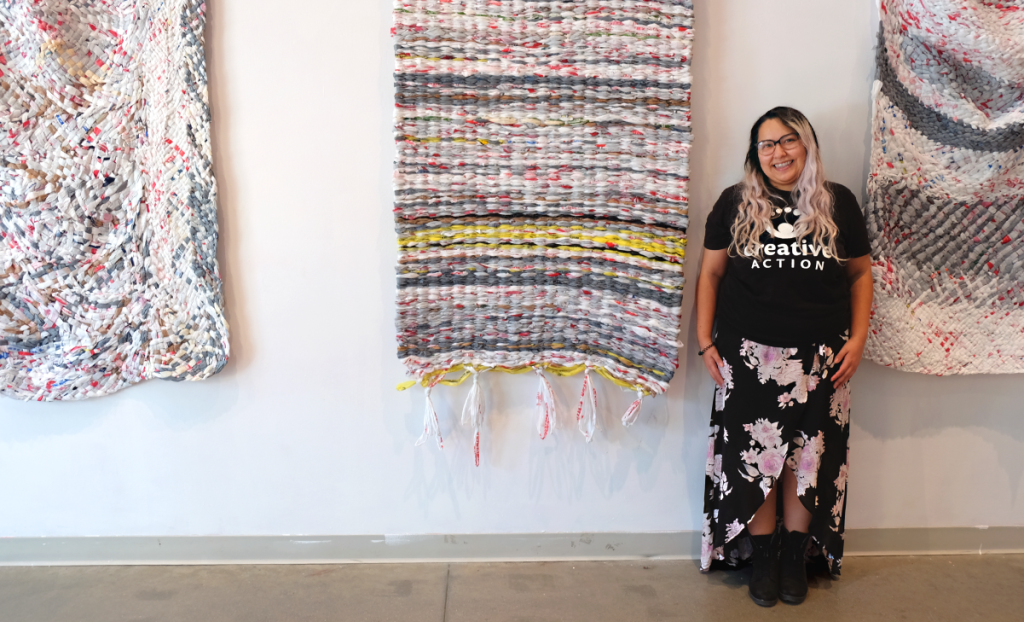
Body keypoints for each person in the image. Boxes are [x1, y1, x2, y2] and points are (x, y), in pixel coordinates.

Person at [695, 107, 873, 607]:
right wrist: (706, 341)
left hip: (823, 358)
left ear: (807, 144)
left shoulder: (838, 204)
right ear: (755, 155)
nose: (778, 152)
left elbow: (860, 275)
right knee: (758, 462)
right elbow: (710, 275)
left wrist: (858, 338)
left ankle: (795, 555)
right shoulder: (734, 203)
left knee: (806, 459)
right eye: (766, 144)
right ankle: (765, 555)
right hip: (751, 354)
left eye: (788, 140)